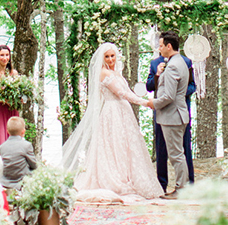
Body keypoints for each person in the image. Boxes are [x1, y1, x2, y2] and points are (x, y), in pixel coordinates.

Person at [63, 42, 162, 201]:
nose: (110, 59)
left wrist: (141, 98)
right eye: (107, 57)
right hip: (112, 112)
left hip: (124, 111)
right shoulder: (104, 73)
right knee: (114, 145)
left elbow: (128, 91)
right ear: (103, 58)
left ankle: (130, 175)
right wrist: (144, 103)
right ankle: (116, 178)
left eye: (112, 56)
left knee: (126, 145)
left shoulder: (115, 72)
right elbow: (122, 93)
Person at [147, 32, 190, 198]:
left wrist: (153, 103)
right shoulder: (180, 62)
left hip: (172, 116)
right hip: (177, 114)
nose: (159, 49)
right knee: (178, 153)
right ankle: (183, 187)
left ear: (168, 46)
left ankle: (181, 189)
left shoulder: (173, 66)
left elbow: (169, 96)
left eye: (161, 45)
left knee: (176, 155)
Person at [0, 116, 37, 189]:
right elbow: (34, 165)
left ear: (7, 131)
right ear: (23, 131)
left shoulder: (2, 147)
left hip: (6, 182)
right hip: (22, 181)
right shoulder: (26, 145)